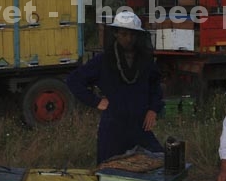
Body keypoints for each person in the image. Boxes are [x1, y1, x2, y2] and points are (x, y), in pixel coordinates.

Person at [66, 10, 164, 164]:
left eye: (132, 34)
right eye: (124, 34)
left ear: (138, 36)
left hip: (140, 126)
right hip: (113, 127)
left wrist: (153, 109)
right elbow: (73, 80)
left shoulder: (145, 60)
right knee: (109, 170)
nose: (128, 39)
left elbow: (155, 85)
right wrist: (96, 101)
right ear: (116, 34)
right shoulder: (103, 60)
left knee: (159, 162)